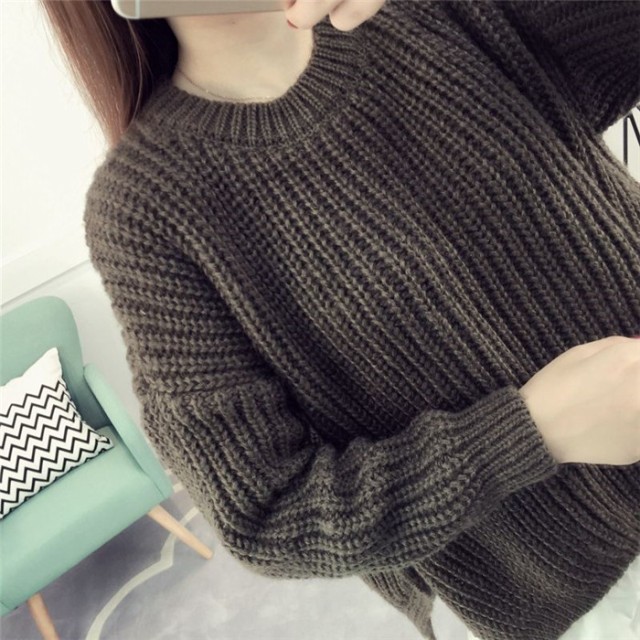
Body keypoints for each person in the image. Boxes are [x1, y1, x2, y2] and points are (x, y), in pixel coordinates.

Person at [38, 1, 640, 639]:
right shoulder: (146, 208)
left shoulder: (443, 11)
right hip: (579, 581)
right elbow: (266, 512)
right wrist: (534, 430)